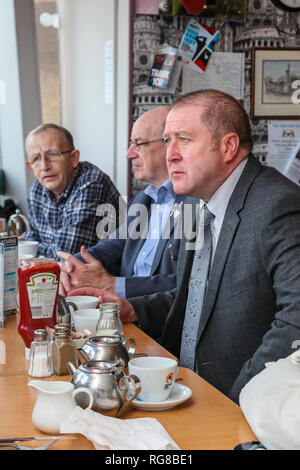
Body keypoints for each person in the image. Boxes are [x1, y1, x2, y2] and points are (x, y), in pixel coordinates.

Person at [69, 89, 300, 404]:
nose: (170, 154)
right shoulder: (198, 200)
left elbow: (297, 316)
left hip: (238, 402)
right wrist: (134, 308)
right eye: (167, 141)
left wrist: (243, 397)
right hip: (184, 388)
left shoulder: (278, 204)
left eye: (184, 140)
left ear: (228, 146)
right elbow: (193, 298)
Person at [58, 106, 185, 298]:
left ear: (168, 144)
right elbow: (111, 247)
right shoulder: (143, 200)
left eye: (139, 144)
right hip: (121, 314)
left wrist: (113, 285)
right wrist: (68, 267)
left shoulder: (196, 202)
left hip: (158, 322)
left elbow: (187, 283)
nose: (129, 154)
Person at [23, 123, 122, 259]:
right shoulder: (36, 191)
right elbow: (31, 239)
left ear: (74, 158)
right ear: (31, 167)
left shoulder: (91, 182)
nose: (45, 166)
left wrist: (34, 246)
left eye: (52, 154)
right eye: (36, 158)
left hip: (107, 276)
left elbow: (67, 255)